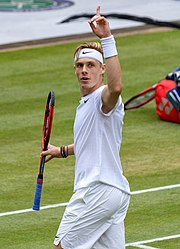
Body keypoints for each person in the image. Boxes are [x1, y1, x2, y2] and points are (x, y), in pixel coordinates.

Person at [42, 5, 130, 249]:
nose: (84, 70)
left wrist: (107, 39)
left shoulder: (104, 98)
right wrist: (61, 151)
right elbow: (90, 143)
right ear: (74, 70)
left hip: (97, 191)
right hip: (114, 193)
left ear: (102, 69)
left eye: (91, 65)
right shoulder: (85, 105)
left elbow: (116, 88)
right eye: (80, 66)